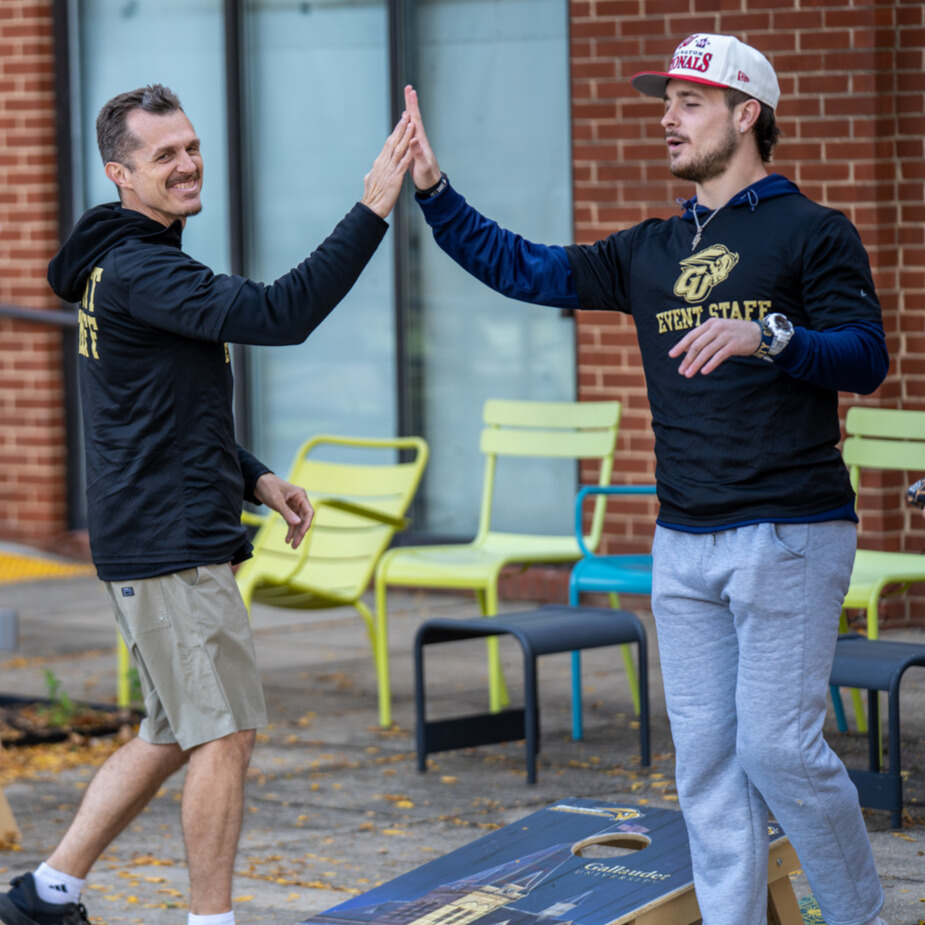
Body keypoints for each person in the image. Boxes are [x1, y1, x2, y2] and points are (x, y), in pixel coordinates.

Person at [403, 31, 890, 925]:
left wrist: (768, 335)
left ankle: (860, 915)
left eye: (688, 102)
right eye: (663, 101)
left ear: (747, 116)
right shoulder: (650, 250)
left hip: (788, 530)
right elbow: (523, 266)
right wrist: (433, 191)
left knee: (778, 749)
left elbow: (865, 359)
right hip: (684, 538)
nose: (666, 118)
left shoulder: (813, 231)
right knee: (705, 759)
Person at [0, 84, 412, 925]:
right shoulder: (145, 269)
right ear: (122, 173)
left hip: (152, 534)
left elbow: (163, 407)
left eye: (190, 146)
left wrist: (253, 474)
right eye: (165, 155)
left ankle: (48, 891)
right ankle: (210, 919)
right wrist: (371, 208)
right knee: (224, 735)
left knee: (175, 729)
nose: (187, 164)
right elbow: (278, 313)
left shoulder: (120, 262)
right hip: (170, 547)